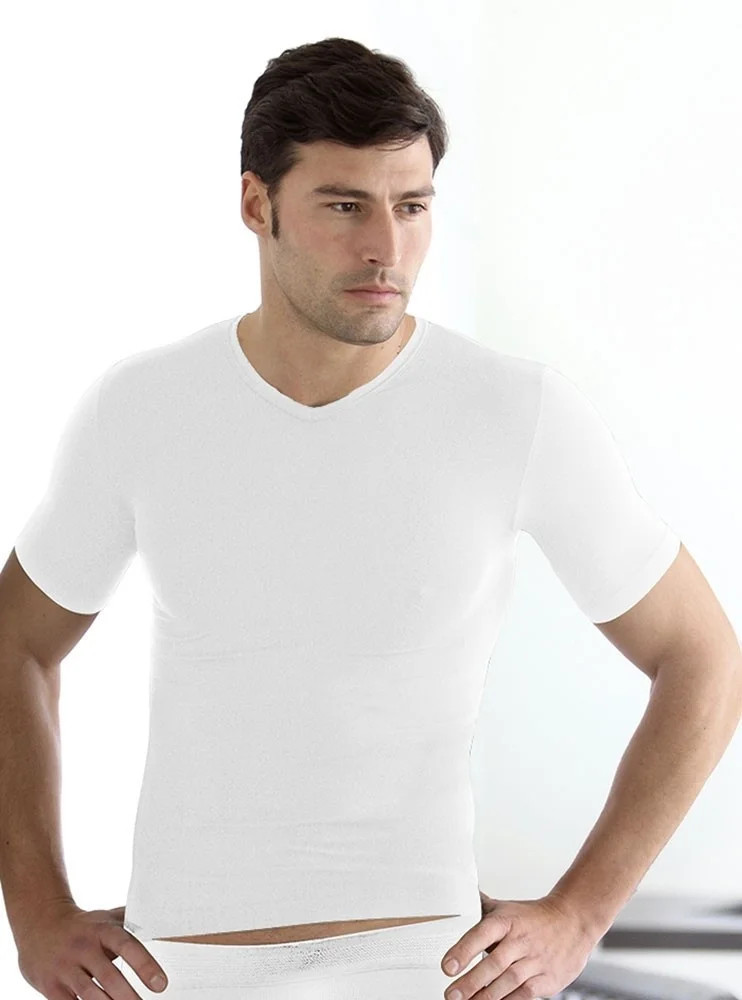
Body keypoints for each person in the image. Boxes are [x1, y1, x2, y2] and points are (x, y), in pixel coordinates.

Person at [3, 33, 741, 1000]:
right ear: (257, 204)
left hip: (425, 969)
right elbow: (16, 641)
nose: (386, 247)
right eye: (345, 205)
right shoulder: (144, 409)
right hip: (182, 969)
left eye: (412, 206)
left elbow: (703, 658)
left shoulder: (512, 411)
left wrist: (579, 914)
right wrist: (37, 912)